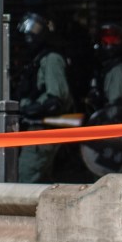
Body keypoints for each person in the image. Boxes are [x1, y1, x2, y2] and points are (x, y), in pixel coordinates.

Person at [11, 11, 72, 183]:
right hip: (34, 131)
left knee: (24, 179)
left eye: (35, 29)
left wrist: (26, 110)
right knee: (41, 184)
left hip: (43, 132)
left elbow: (55, 101)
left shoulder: (52, 59)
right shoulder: (37, 59)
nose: (29, 34)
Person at [86, 22, 122, 113]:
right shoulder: (103, 69)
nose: (108, 43)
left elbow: (117, 111)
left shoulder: (119, 70)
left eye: (113, 40)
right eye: (104, 40)